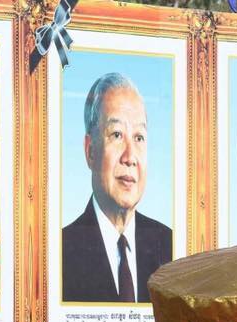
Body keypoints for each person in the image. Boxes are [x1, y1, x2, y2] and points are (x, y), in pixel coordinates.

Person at [61, 72, 173, 303]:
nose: (130, 157)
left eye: (139, 138)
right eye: (117, 135)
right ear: (90, 151)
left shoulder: (170, 247)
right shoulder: (60, 253)